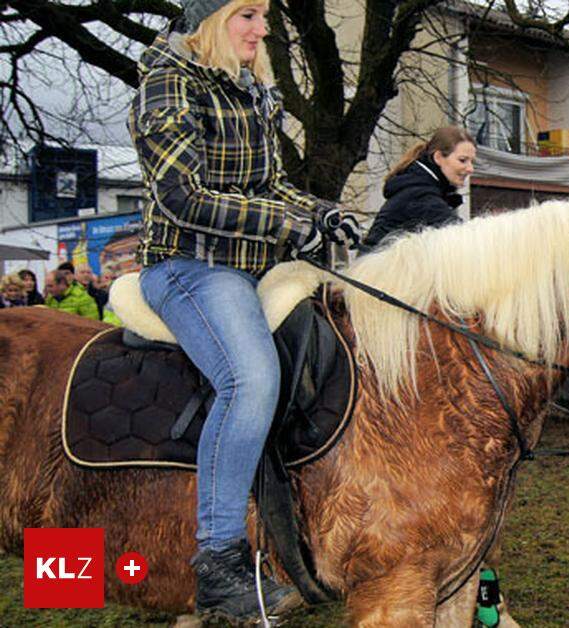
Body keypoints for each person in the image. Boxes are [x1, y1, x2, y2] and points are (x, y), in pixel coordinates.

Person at [127, 0, 359, 621]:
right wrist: (285, 224)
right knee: (251, 378)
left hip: (248, 264)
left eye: (263, 17)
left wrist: (319, 212)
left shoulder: (251, 89)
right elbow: (182, 196)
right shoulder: (166, 83)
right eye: (248, 15)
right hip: (188, 266)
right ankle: (218, 563)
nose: (262, 30)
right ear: (210, 21)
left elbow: (268, 186)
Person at [360, 126, 476, 250]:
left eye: (472, 162)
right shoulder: (420, 195)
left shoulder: (423, 188)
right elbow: (465, 238)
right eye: (463, 160)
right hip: (379, 267)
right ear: (438, 157)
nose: (470, 169)